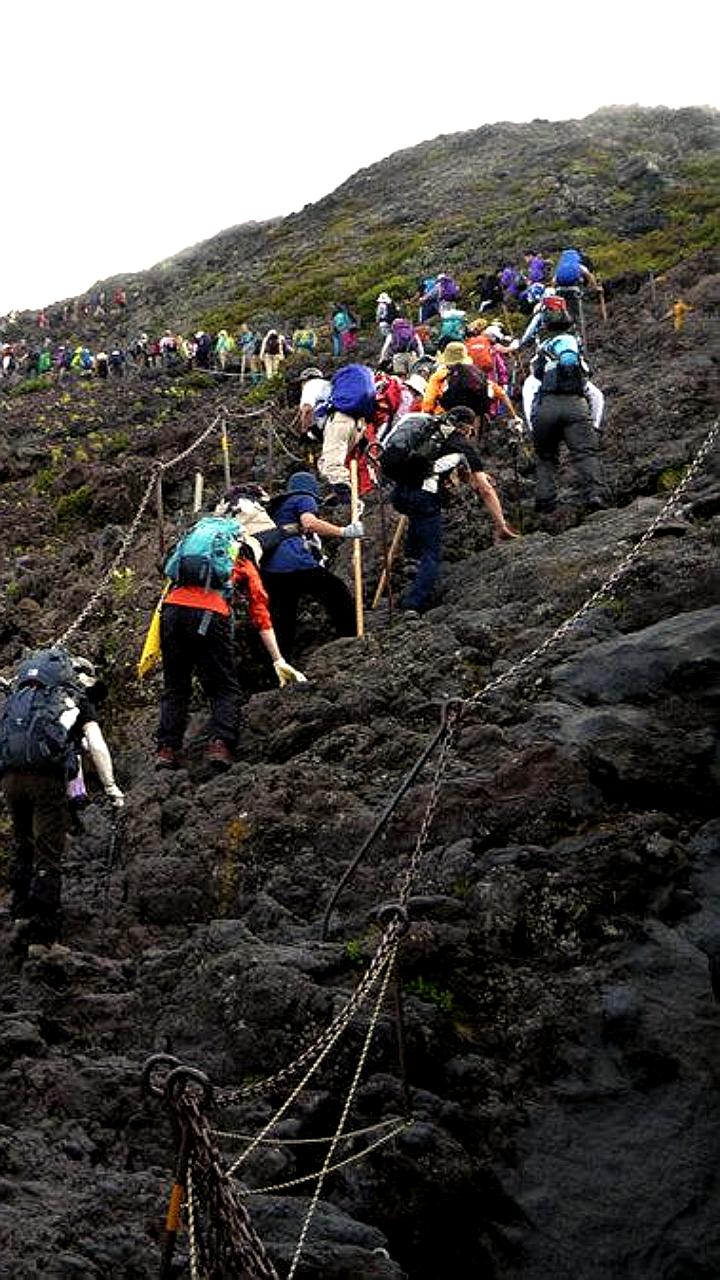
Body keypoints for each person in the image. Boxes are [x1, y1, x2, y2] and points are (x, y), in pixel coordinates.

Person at [156, 507, 305, 772]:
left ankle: (167, 750)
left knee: (175, 687)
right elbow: (260, 614)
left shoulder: (192, 547)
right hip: (210, 615)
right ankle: (221, 744)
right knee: (223, 687)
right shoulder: (240, 556)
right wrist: (278, 660)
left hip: (171, 612)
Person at [0, 649, 124, 951]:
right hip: (47, 780)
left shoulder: (22, 695)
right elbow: (95, 744)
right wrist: (111, 788)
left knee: (23, 842)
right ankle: (44, 937)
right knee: (48, 853)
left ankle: (19, 913)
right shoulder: (76, 697)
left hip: (11, 777)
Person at [385, 407, 518, 617]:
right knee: (432, 553)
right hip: (424, 498)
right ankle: (413, 603)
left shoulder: (428, 428)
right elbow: (485, 489)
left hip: (399, 493)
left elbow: (439, 464)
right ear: (467, 426)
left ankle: (410, 564)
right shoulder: (462, 445)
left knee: (417, 523)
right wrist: (501, 525)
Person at [260, 472, 364, 658]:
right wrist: (344, 531)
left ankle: (280, 666)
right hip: (295, 562)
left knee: (283, 619)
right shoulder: (303, 497)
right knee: (337, 592)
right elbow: (309, 523)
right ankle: (353, 640)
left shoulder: (277, 506)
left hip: (270, 570)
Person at [525, 311, 606, 514]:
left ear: (547, 328)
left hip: (544, 408)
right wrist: (594, 425)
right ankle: (595, 494)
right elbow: (595, 396)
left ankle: (545, 502)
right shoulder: (569, 342)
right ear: (568, 326)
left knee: (545, 457)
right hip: (574, 405)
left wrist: (532, 425)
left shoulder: (541, 352)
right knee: (585, 453)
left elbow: (530, 392)